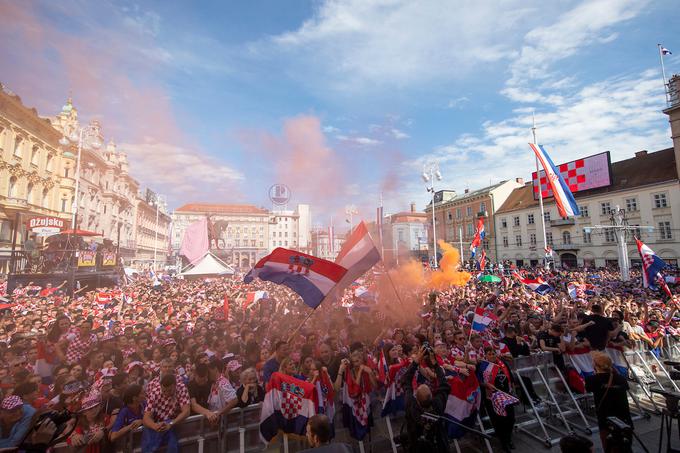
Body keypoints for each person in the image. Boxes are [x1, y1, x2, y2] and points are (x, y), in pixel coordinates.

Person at [401, 346, 450, 453]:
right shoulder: (438, 404)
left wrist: (415, 363)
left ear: (416, 399)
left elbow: (406, 381)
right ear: (432, 396)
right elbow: (444, 384)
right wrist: (435, 363)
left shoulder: (411, 405)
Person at [585, 352, 632, 452]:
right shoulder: (620, 378)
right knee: (625, 446)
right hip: (624, 416)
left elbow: (588, 389)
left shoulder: (592, 379)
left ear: (595, 366)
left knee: (609, 446)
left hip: (606, 417)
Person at [142, 373, 190, 453]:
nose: (167, 393)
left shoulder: (181, 388)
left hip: (173, 424)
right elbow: (146, 417)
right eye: (164, 391)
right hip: (158, 425)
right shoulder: (154, 393)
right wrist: (155, 426)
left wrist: (171, 424)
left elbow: (186, 411)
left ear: (175, 385)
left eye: (169, 391)